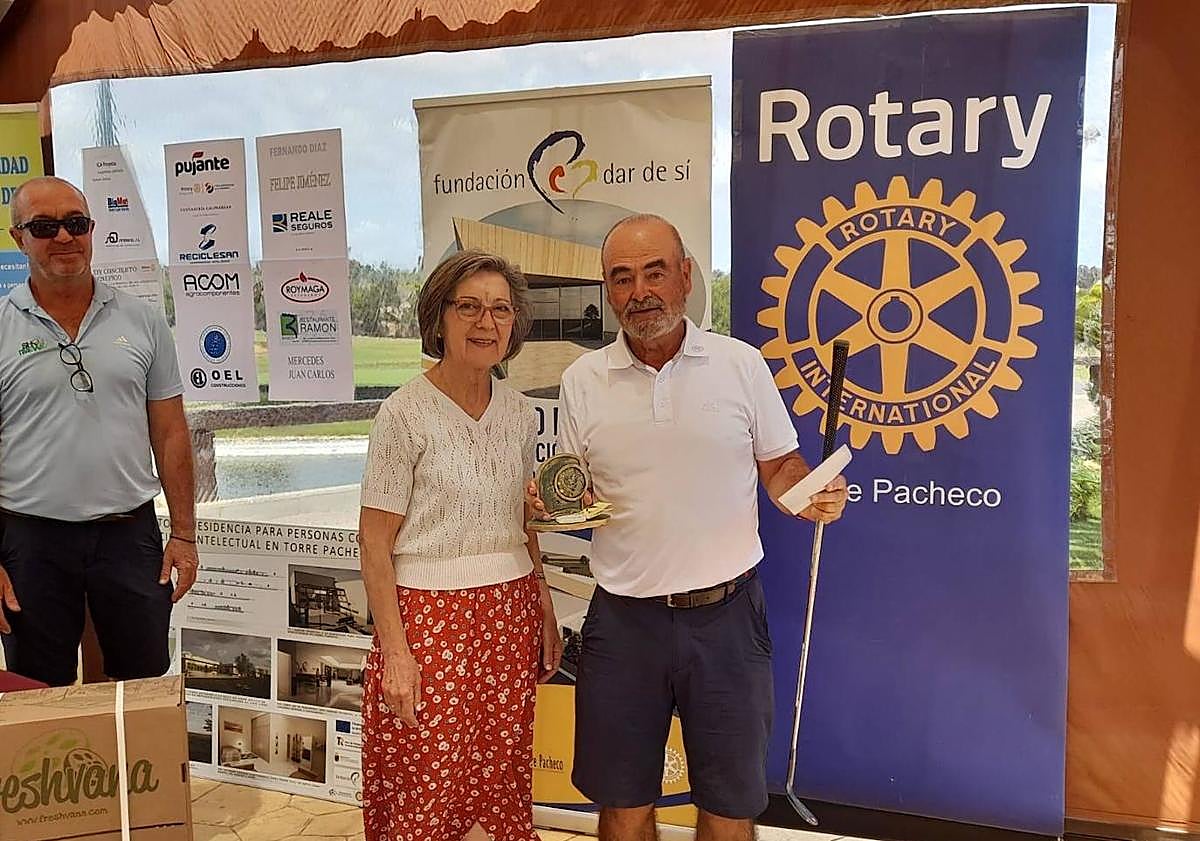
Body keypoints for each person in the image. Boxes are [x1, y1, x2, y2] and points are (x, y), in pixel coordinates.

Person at [528, 214, 849, 841]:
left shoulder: (741, 365)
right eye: (622, 279)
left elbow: (781, 467)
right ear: (607, 289)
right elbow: (573, 492)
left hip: (726, 621)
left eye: (654, 273)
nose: (639, 292)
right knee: (622, 806)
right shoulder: (582, 381)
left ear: (686, 277)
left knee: (729, 807)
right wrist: (549, 505)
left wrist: (813, 495)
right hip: (622, 624)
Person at [357, 249, 564, 841]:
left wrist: (544, 608)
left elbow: (523, 525)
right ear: (439, 317)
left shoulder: (522, 415)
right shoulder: (404, 413)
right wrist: (395, 654)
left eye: (501, 309)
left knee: (500, 776)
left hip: (509, 613)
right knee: (428, 776)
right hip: (429, 621)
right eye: (469, 306)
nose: (486, 322)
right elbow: (375, 546)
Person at [0, 176, 198, 686]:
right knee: (39, 692)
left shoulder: (143, 321)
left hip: (129, 536)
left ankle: (137, 772)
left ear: (91, 230)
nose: (64, 237)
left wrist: (184, 533)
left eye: (76, 223)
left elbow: (171, 433)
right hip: (29, 540)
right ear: (18, 236)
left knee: (143, 686)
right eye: (45, 227)